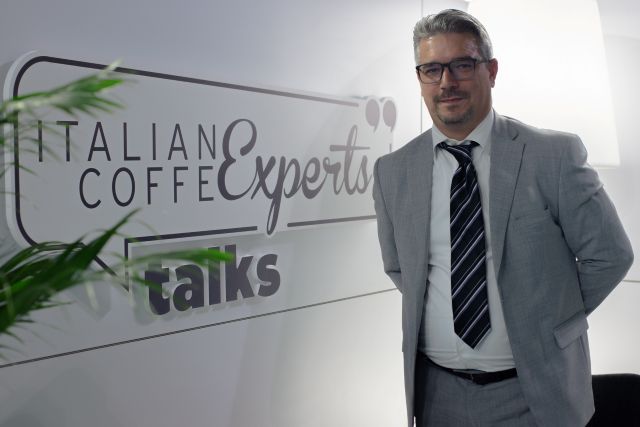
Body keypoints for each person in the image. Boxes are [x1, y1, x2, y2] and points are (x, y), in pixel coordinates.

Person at [372, 9, 634, 427]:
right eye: (432, 69)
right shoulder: (393, 171)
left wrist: (547, 320)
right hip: (437, 395)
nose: (446, 82)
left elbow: (610, 255)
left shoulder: (553, 156)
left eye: (462, 65)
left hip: (534, 393)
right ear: (420, 78)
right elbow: (399, 267)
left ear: (491, 71)